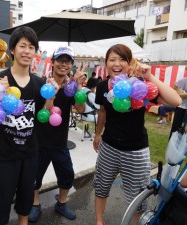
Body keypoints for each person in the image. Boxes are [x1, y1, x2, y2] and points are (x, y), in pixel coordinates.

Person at [92, 44, 181, 225]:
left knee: (138, 196)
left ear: (130, 63)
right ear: (106, 63)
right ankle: (99, 221)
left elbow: (176, 100)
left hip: (135, 150)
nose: (117, 64)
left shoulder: (140, 85)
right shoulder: (102, 86)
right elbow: (102, 111)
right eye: (112, 59)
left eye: (122, 59)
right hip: (108, 146)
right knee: (101, 186)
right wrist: (97, 134)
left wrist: (150, 76)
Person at [0, 26, 58, 225]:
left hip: (30, 155)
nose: (27, 51)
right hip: (4, 156)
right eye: (22, 46)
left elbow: (44, 115)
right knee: (1, 206)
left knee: (25, 204)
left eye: (31, 47)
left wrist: (51, 97)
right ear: (12, 50)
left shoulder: (39, 84)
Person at [28, 46, 86, 222]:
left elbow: (80, 109)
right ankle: (35, 204)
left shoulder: (71, 87)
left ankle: (61, 204)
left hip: (60, 142)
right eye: (60, 60)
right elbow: (41, 115)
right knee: (35, 177)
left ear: (71, 66)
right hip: (39, 140)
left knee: (67, 175)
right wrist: (53, 93)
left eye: (68, 61)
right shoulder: (42, 84)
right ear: (52, 62)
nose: (64, 64)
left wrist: (78, 88)